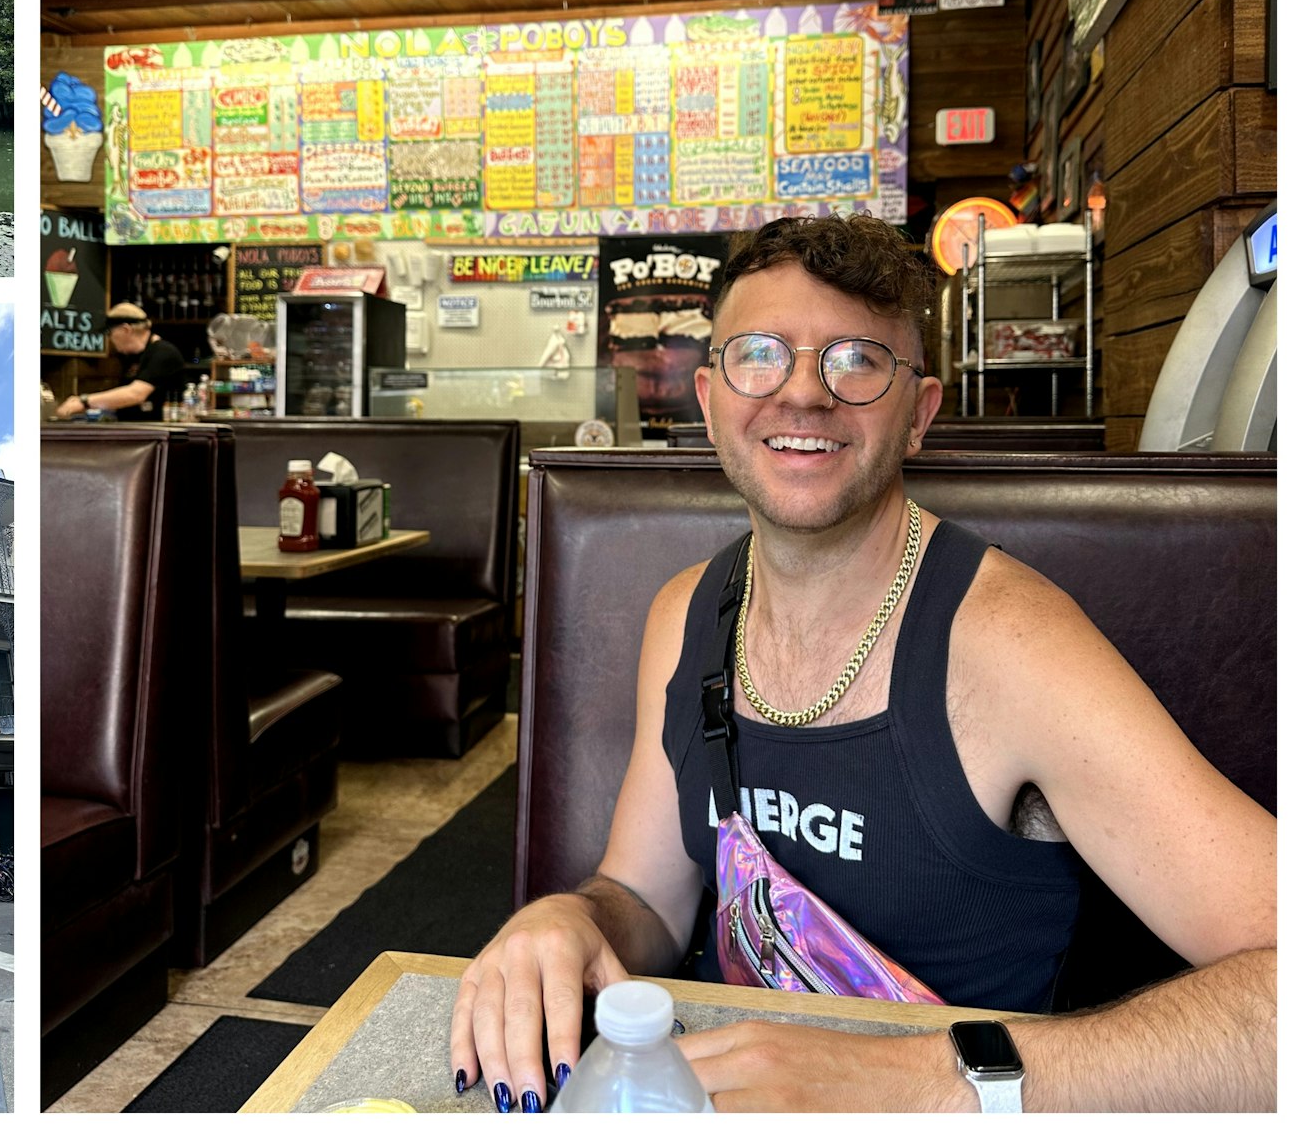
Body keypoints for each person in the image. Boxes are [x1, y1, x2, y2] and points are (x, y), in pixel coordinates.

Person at [450, 214, 1276, 1113]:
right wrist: (573, 918)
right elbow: (643, 897)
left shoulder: (1016, 647)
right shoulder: (683, 614)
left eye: (856, 361)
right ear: (710, 397)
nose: (803, 394)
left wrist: (928, 1082)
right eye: (759, 354)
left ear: (918, 414)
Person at [53, 302, 188, 421]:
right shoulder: (132, 357)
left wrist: (84, 401)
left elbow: (135, 394)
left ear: (125, 330)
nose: (110, 339)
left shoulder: (163, 353)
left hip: (160, 437)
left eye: (110, 333)